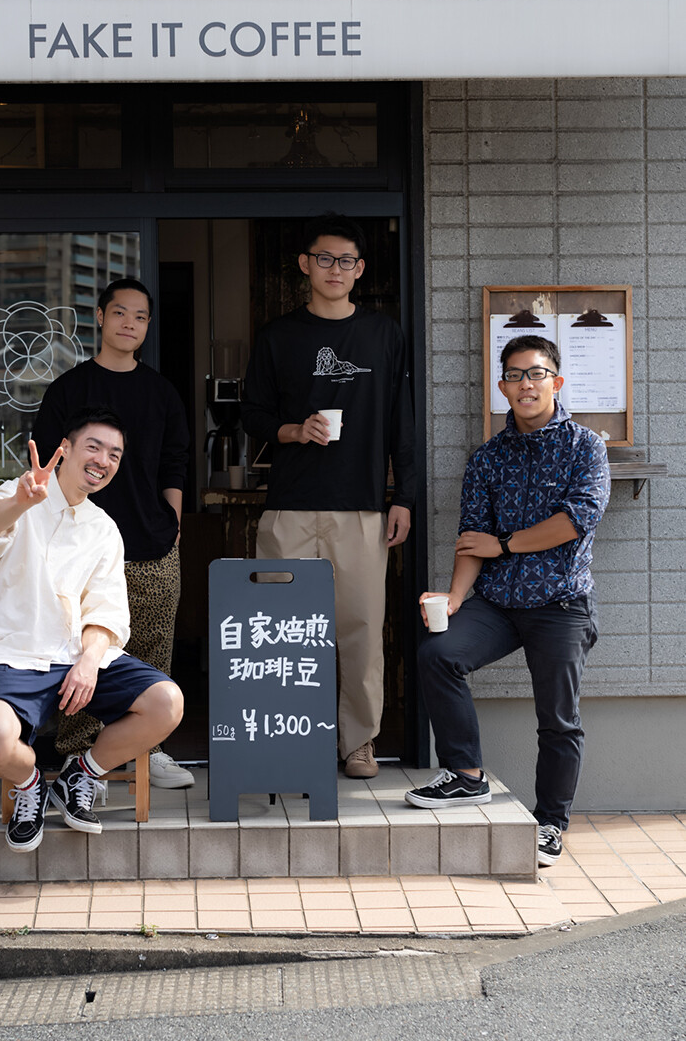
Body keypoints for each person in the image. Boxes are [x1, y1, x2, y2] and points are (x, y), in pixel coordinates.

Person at [406, 335, 611, 867]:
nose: (526, 384)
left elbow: (575, 521)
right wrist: (454, 597)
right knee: (438, 653)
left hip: (560, 603)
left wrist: (504, 544)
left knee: (558, 719)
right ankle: (466, 774)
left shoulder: (586, 447)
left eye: (536, 373)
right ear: (502, 387)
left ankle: (551, 823)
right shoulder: (488, 457)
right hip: (498, 603)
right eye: (516, 375)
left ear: (556, 382)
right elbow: (472, 536)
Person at [0, 408, 184, 853]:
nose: (103, 460)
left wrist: (89, 662)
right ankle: (30, 785)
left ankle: (80, 774)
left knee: (167, 702)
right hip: (14, 652)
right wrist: (22, 501)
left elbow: (107, 611)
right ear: (65, 450)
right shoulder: (20, 494)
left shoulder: (104, 529)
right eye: (94, 447)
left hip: (76, 654)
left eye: (114, 454)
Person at [241, 213, 417, 779]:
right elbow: (252, 414)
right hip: (289, 508)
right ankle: (287, 739)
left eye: (345, 261)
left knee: (361, 630)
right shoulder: (278, 336)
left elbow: (402, 421)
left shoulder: (383, 335)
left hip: (362, 506)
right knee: (281, 631)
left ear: (359, 269)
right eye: (324, 259)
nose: (334, 269)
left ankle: (358, 742)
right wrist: (295, 430)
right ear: (305, 265)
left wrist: (404, 496)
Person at [31, 278, 193, 790]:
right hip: (79, 547)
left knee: (151, 650)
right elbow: (46, 463)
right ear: (100, 317)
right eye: (120, 312)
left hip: (151, 542)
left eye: (140, 317)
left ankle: (150, 748)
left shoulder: (161, 392)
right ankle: (79, 757)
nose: (130, 323)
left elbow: (176, 461)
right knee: (82, 652)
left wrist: (173, 520)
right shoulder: (70, 389)